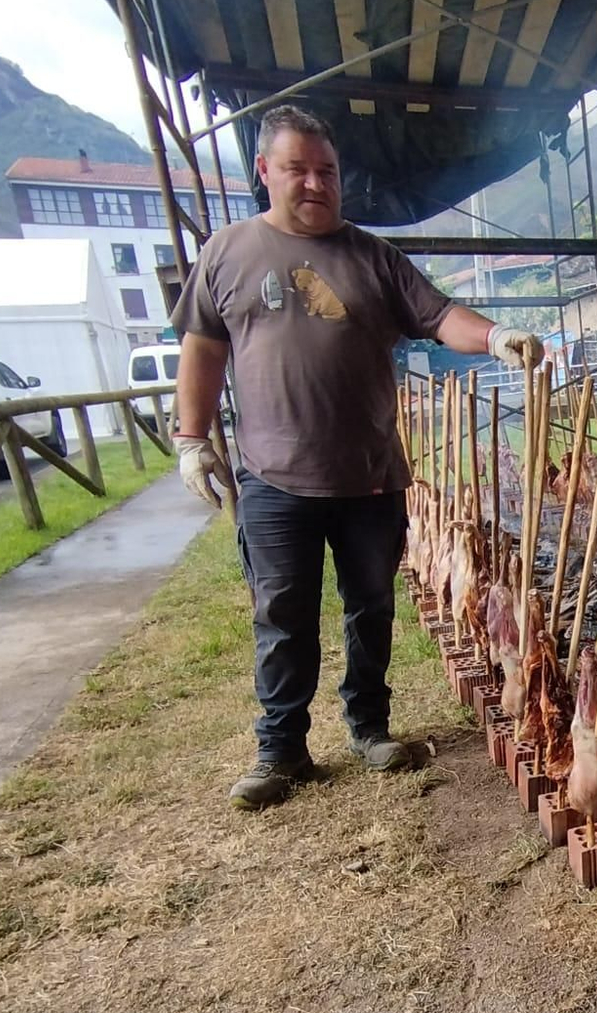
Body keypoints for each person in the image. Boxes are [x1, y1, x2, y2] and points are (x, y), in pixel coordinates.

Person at [172, 104, 544, 811]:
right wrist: (192, 438)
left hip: (370, 475)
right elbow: (204, 348)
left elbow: (437, 316)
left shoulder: (374, 258)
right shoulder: (228, 253)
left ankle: (369, 727)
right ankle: (281, 750)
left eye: (327, 171)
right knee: (282, 613)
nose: (315, 183)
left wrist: (495, 336)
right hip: (274, 477)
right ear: (264, 172)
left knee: (369, 606)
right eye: (298, 169)